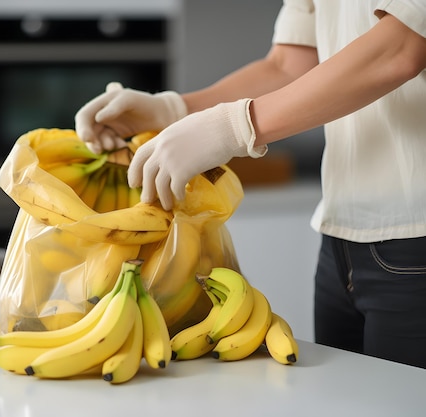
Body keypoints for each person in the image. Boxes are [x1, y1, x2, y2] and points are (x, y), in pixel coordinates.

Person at [74, 1, 426, 368]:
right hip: (339, 236)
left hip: (416, 233)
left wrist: (234, 127)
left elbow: (402, 47)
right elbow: (289, 65)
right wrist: (173, 109)